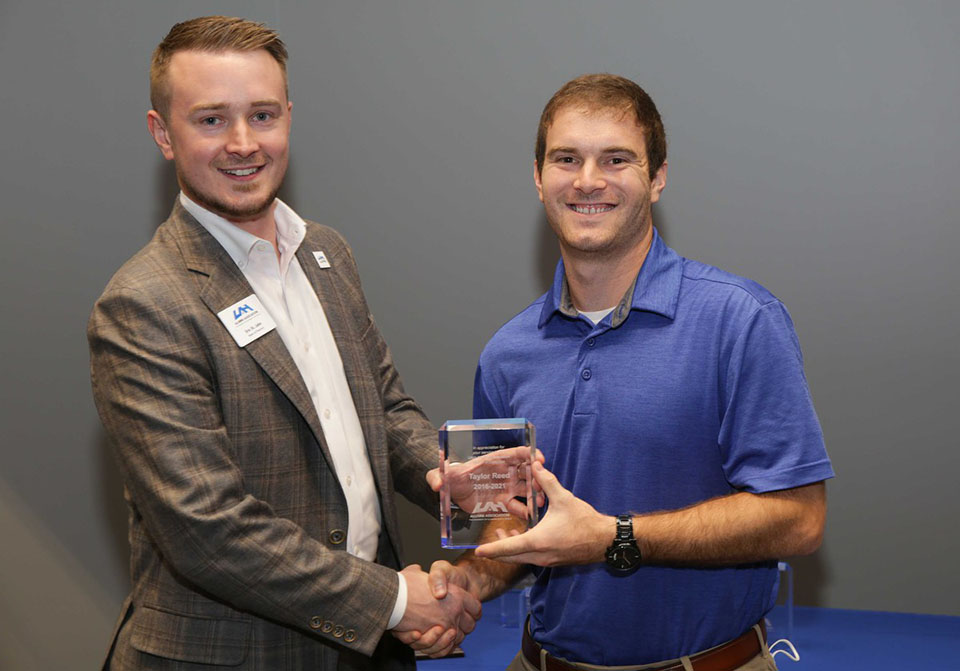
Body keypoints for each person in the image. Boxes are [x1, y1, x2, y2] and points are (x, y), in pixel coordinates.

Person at [87, 16, 479, 670]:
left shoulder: (326, 253)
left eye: (262, 115)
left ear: (289, 117)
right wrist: (394, 601)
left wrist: (442, 474)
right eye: (211, 119)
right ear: (163, 133)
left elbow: (381, 408)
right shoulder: (144, 304)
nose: (243, 143)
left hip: (366, 650)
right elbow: (209, 531)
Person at [410, 74, 835, 670]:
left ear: (657, 177)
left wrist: (617, 536)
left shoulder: (739, 320)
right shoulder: (507, 352)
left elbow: (800, 519)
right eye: (566, 159)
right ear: (538, 177)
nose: (588, 181)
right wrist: (465, 583)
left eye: (616, 159)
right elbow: (511, 522)